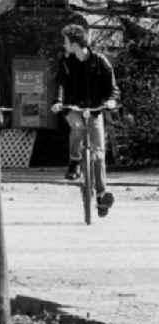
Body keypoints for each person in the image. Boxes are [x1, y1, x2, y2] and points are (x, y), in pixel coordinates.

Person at [51, 23, 119, 217]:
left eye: (66, 41)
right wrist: (58, 102)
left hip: (95, 109)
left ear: (74, 43)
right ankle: (74, 161)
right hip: (73, 107)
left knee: (98, 153)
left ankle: (101, 195)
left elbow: (112, 87)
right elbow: (61, 85)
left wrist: (112, 101)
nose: (64, 45)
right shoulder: (66, 61)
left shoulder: (100, 61)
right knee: (78, 128)